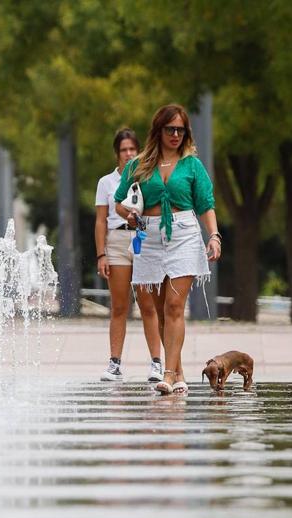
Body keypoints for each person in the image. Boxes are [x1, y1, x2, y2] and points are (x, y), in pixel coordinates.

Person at [114, 104, 222, 395]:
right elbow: (119, 201)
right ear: (158, 131)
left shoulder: (192, 165)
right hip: (148, 235)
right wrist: (130, 216)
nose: (175, 134)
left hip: (184, 233)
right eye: (169, 129)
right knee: (160, 310)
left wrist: (214, 235)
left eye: (180, 129)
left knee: (175, 306)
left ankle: (170, 372)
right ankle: (179, 370)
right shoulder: (139, 164)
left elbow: (206, 204)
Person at [95, 127, 163, 382]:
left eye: (132, 149)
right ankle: (114, 363)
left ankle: (157, 362)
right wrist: (101, 254)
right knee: (120, 305)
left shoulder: (148, 176)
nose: (128, 154)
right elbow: (101, 220)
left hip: (143, 239)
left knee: (149, 304)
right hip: (118, 238)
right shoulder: (106, 182)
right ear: (117, 153)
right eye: (123, 150)